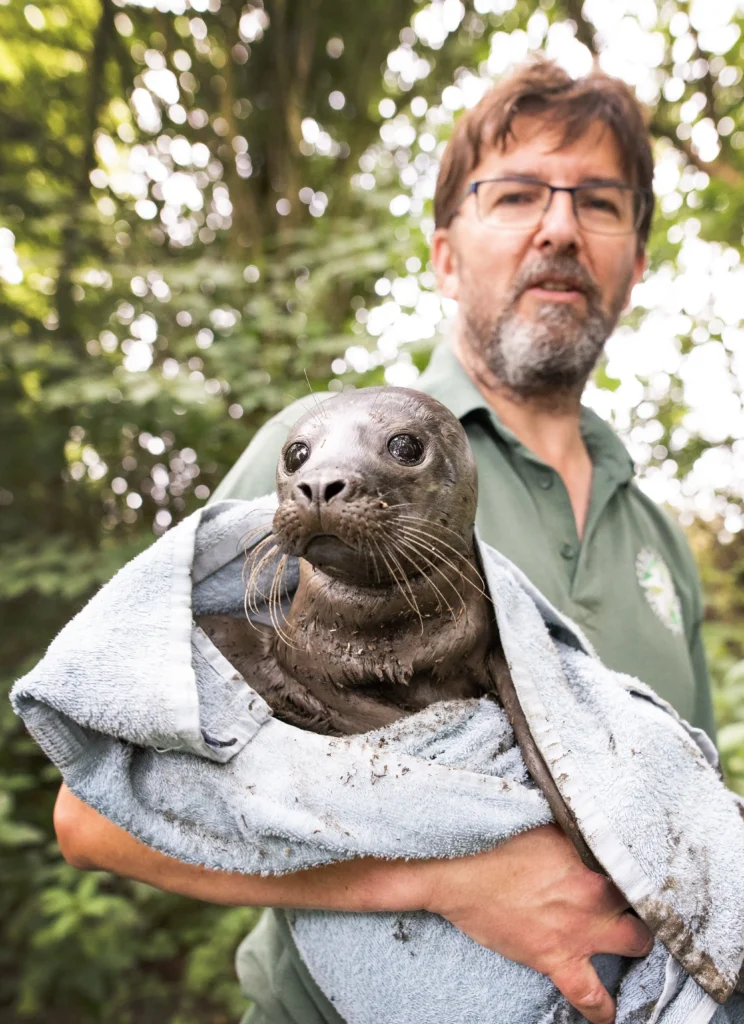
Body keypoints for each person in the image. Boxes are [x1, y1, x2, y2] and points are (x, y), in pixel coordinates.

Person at [54, 57, 715, 1024]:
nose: (561, 226)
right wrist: (444, 877)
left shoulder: (660, 536)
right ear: (445, 254)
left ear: (637, 261)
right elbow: (95, 815)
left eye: (600, 203)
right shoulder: (318, 466)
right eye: (518, 193)